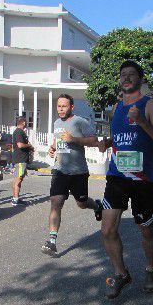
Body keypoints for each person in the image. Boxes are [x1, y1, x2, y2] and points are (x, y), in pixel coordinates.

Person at [98, 61, 153, 299]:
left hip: (143, 179)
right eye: (123, 75)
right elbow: (119, 139)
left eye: (131, 74)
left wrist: (142, 121)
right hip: (117, 176)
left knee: (145, 228)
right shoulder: (117, 108)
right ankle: (121, 274)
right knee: (107, 228)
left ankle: (150, 268)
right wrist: (107, 143)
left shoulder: (149, 105)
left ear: (140, 79)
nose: (126, 78)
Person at [41, 94, 104, 257]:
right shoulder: (56, 123)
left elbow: (94, 140)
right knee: (56, 202)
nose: (60, 109)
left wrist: (74, 139)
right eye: (58, 106)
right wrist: (53, 148)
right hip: (60, 169)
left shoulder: (80, 121)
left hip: (78, 171)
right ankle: (52, 241)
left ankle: (97, 206)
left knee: (82, 203)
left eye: (64, 106)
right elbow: (58, 140)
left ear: (72, 107)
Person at [11, 116, 33, 206]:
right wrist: (29, 146)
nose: (27, 124)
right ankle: (15, 200)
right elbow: (20, 145)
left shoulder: (17, 132)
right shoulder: (19, 131)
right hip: (20, 159)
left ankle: (16, 198)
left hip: (19, 159)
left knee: (18, 179)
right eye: (26, 122)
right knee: (18, 179)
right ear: (23, 122)